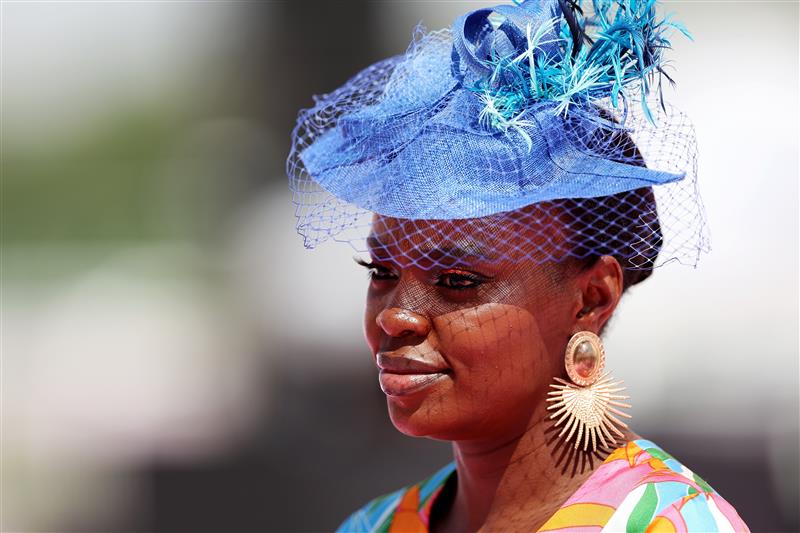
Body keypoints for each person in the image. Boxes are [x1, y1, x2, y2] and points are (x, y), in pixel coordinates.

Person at [287, 0, 748, 531]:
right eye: (381, 271)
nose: (396, 317)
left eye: (457, 281)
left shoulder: (669, 523)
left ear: (593, 297)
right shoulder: (376, 525)